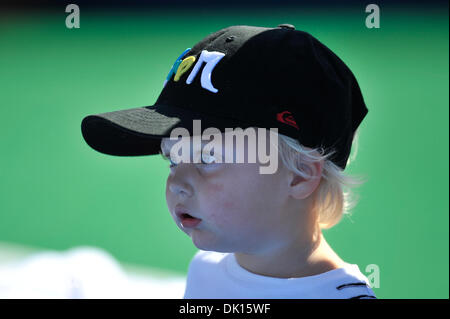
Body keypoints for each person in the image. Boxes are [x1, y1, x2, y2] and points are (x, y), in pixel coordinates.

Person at [81, 24, 376, 299]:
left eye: (208, 157)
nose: (178, 184)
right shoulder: (205, 270)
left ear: (299, 175)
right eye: (172, 158)